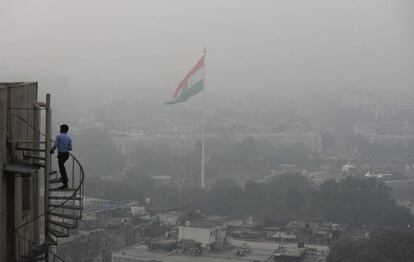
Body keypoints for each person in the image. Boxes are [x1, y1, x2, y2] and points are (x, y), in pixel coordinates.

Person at [50, 124, 72, 189]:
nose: (59, 130)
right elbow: (70, 148)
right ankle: (64, 179)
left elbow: (55, 145)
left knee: (61, 168)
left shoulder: (58, 136)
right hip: (66, 155)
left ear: (62, 130)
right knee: (62, 167)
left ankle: (65, 182)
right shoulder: (69, 138)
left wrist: (51, 151)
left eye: (60, 129)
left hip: (61, 154)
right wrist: (65, 146)